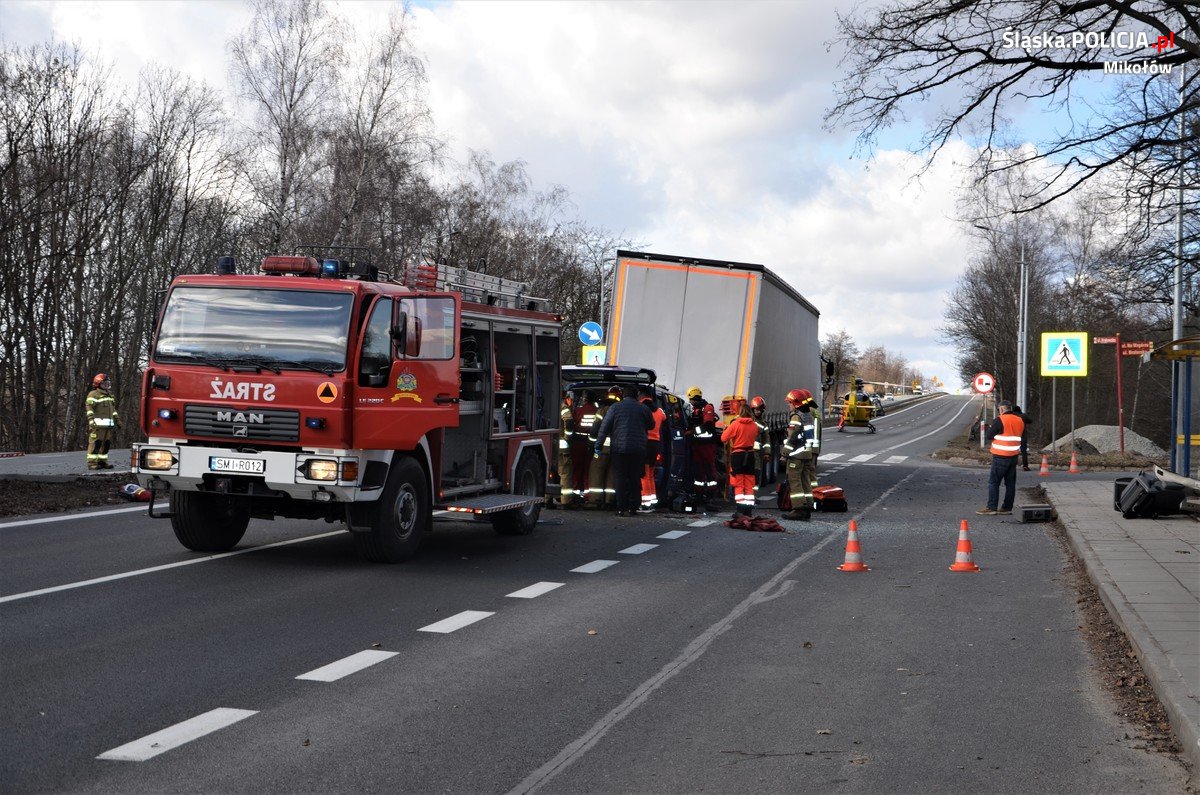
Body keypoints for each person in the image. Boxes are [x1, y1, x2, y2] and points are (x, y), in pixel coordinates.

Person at [594, 386, 653, 517]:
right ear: (636, 395)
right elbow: (651, 425)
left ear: (623, 395)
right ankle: (633, 508)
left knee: (620, 478)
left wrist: (598, 446)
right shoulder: (644, 408)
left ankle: (621, 508)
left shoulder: (615, 408)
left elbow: (604, 428)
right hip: (638, 449)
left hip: (619, 449)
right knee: (634, 478)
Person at [977, 400, 1026, 515]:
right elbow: (1022, 437)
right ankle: (1007, 508)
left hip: (1000, 455)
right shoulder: (1020, 420)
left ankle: (991, 507)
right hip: (1013, 456)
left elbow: (989, 435)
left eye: (999, 409)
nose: (999, 411)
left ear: (1002, 409)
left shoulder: (1000, 420)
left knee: (994, 482)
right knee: (1010, 484)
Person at [781, 388, 821, 520]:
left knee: (795, 481)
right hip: (807, 454)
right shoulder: (808, 415)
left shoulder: (796, 417)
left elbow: (792, 437)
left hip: (796, 455)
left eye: (790, 403)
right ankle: (808, 506)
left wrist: (785, 454)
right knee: (805, 481)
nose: (789, 405)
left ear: (795, 403)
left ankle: (798, 509)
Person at [721, 403, 760, 517]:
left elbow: (723, 438)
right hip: (750, 455)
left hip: (738, 455)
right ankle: (748, 510)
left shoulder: (736, 424)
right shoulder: (754, 425)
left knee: (738, 483)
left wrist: (728, 429)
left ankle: (740, 510)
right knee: (749, 483)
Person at [587, 387, 622, 508]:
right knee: (612, 474)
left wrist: (592, 445)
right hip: (616, 449)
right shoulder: (621, 411)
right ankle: (609, 500)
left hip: (601, 450)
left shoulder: (602, 411)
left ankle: (596, 500)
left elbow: (594, 430)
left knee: (596, 471)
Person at [685, 386, 719, 507]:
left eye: (690, 399)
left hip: (707, 445)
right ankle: (698, 495)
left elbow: (707, 426)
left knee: (710, 471)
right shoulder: (695, 409)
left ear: (694, 397)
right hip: (697, 445)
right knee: (698, 471)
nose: (690, 402)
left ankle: (710, 496)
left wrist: (692, 432)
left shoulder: (707, 408)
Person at [638, 387, 667, 512]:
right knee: (650, 474)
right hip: (655, 444)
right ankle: (652, 501)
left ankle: (645, 503)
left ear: (642, 394)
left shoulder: (640, 407)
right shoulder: (659, 411)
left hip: (644, 443)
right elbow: (664, 418)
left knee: (643, 475)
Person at [85, 373, 120, 470]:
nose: (107, 385)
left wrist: (117, 420)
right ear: (98, 384)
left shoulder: (109, 395)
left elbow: (113, 410)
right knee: (95, 444)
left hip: (107, 426)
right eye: (104, 383)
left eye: (108, 383)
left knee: (106, 445)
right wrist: (91, 420)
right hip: (97, 426)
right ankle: (92, 463)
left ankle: (102, 462)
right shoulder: (93, 394)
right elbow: (89, 408)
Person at [557, 393, 578, 508]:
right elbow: (569, 422)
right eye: (571, 400)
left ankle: (547, 499)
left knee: (551, 474)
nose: (572, 402)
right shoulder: (564, 408)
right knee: (565, 473)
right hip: (563, 448)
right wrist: (568, 438)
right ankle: (566, 501)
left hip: (551, 446)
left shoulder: (551, 405)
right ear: (566, 398)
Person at [749, 396, 773, 485]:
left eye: (759, 410)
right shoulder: (748, 420)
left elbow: (766, 440)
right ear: (752, 409)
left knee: (756, 475)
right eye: (756, 409)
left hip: (757, 454)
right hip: (747, 452)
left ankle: (754, 492)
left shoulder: (763, 424)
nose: (758, 411)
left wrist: (767, 453)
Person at [1011, 404, 1031, 471]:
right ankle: (1025, 466)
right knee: (1023, 451)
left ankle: (1012, 465)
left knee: (1013, 451)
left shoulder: (1011, 416)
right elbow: (1030, 421)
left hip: (1013, 436)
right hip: (1022, 435)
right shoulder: (1023, 416)